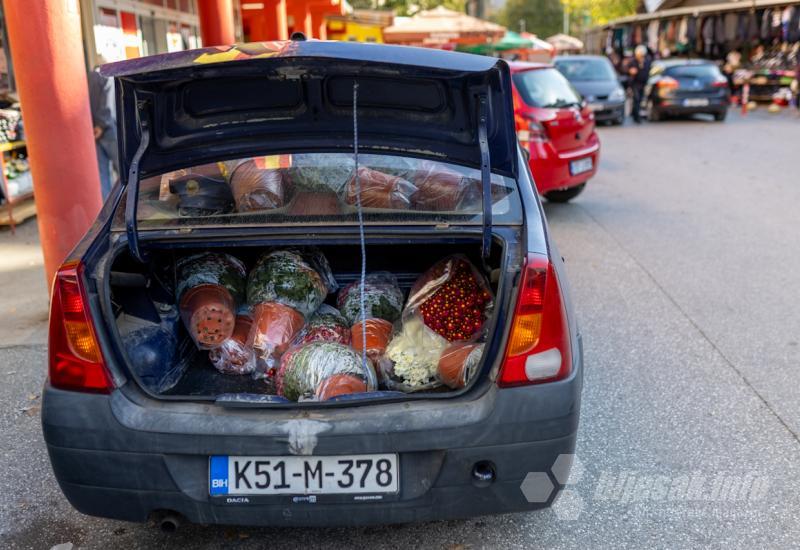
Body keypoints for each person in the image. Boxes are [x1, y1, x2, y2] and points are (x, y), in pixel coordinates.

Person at [87, 56, 119, 199]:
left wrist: (95, 126)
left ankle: (107, 208)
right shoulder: (108, 76)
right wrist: (101, 124)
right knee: (122, 171)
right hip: (109, 129)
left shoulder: (87, 78)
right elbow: (107, 105)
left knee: (102, 175)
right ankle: (125, 202)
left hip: (94, 132)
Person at [627, 45, 652, 124]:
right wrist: (631, 71)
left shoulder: (647, 61)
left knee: (639, 99)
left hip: (643, 83)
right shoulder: (633, 62)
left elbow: (648, 70)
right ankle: (636, 117)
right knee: (636, 99)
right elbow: (627, 70)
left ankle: (635, 114)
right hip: (635, 83)